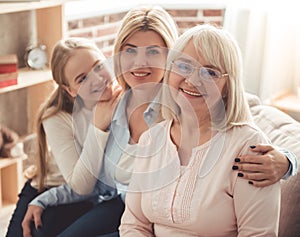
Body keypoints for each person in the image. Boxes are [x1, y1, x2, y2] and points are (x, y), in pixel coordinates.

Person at [21, 5, 297, 237]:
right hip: (116, 203)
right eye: (129, 51)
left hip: (136, 210)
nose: (140, 63)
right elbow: (96, 184)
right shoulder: (113, 101)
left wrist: (286, 161)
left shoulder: (190, 97)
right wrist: (46, 198)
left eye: (153, 51)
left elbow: (247, 112)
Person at [119, 24, 281, 236]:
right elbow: (133, 224)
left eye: (210, 72)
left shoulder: (247, 147)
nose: (193, 80)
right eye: (184, 67)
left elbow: (258, 234)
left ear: (227, 87)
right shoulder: (152, 138)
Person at [6, 37, 123, 237]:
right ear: (70, 91)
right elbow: (82, 183)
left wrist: (99, 127)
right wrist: (98, 127)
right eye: (82, 79)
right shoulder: (56, 117)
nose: (96, 79)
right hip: (48, 186)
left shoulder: (122, 102)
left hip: (85, 195)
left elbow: (92, 186)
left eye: (98, 66)